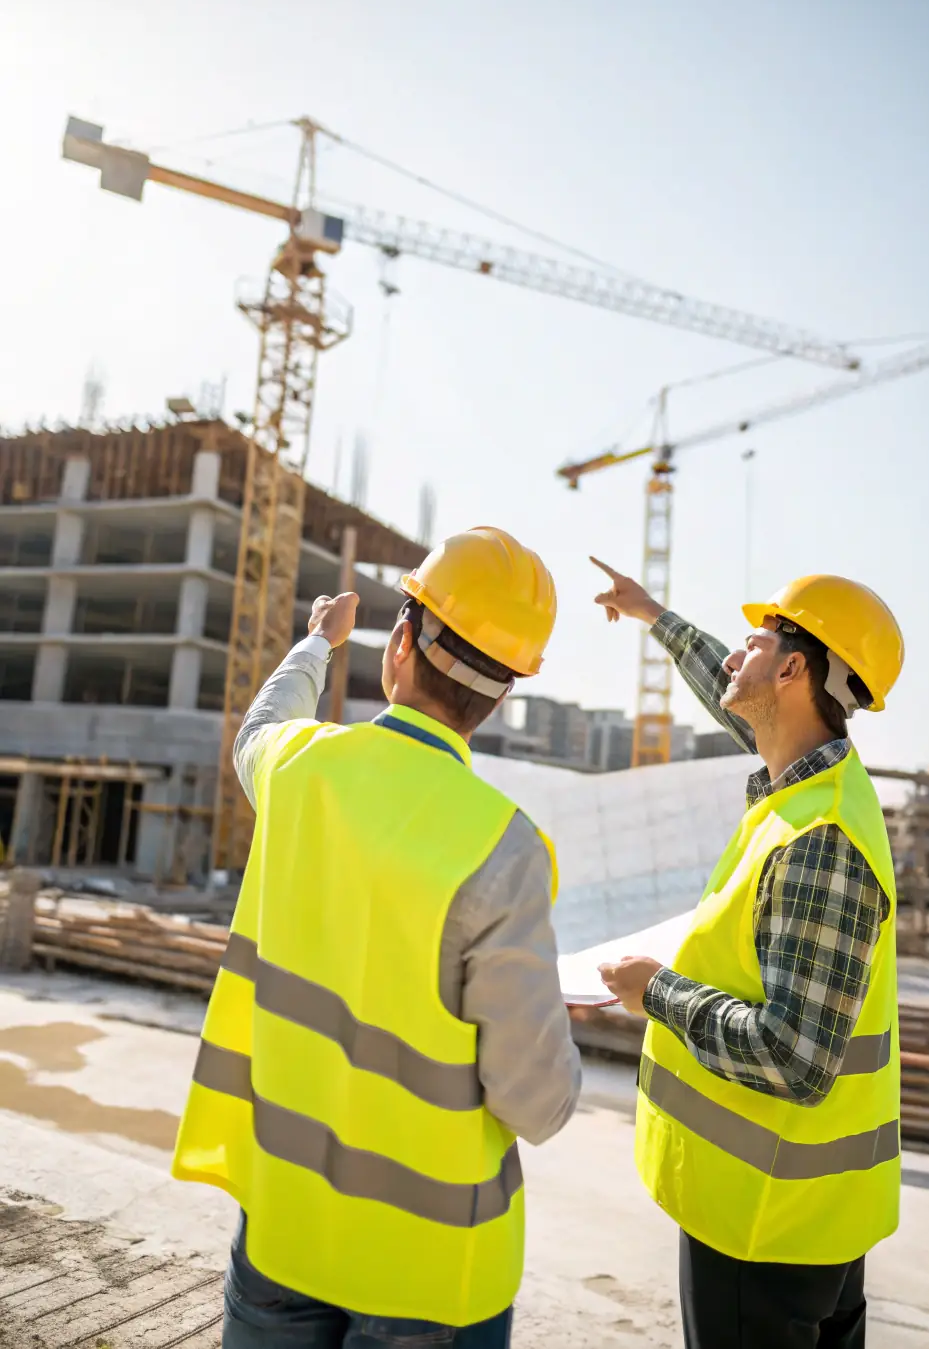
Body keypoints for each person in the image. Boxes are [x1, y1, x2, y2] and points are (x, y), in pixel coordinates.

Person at [173, 527, 581, 1348]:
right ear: (502, 693)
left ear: (400, 647)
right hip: (428, 1267)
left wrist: (317, 644)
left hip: (287, 1228)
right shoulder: (506, 849)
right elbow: (535, 1103)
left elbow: (259, 728)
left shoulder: (297, 769)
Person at [591, 559, 904, 1349]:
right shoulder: (807, 775)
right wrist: (654, 615)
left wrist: (654, 990)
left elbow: (795, 1055)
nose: (734, 656)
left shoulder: (819, 839)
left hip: (763, 1227)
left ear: (794, 668)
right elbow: (732, 696)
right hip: (811, 1214)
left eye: (753, 641)